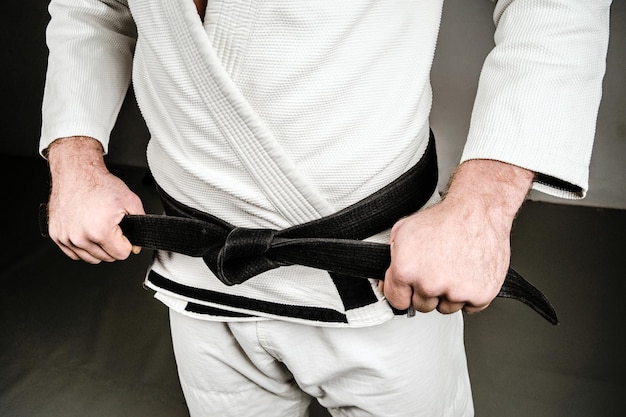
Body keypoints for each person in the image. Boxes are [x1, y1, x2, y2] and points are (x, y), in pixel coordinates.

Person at [40, 0, 611, 415]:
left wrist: (485, 204)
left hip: (381, 275)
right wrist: (73, 153)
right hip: (200, 275)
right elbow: (90, 5)